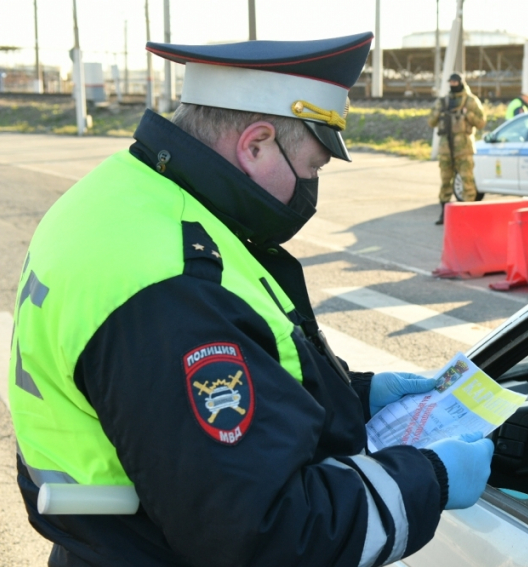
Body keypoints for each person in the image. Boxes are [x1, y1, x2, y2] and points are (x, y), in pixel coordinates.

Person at [8, 33, 494, 567]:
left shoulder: (120, 197)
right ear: (256, 143)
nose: (307, 189)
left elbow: (207, 391)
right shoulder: (175, 288)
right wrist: (433, 479)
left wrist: (356, 395)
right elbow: (267, 535)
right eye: (309, 168)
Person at [427, 73, 486, 225]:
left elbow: (481, 123)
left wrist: (468, 115)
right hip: (446, 149)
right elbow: (430, 121)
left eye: (455, 81)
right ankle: (444, 213)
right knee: (445, 181)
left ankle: (468, 215)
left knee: (467, 181)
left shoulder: (470, 101)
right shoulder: (443, 101)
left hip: (464, 149)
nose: (453, 84)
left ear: (461, 82)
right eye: (451, 82)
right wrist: (438, 113)